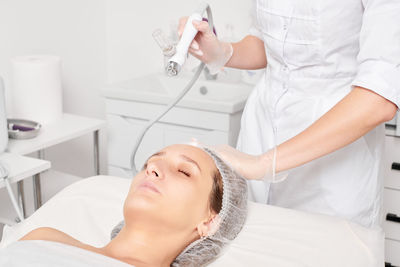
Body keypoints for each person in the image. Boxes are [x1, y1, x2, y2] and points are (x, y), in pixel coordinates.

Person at [178, 0, 400, 228]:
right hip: (260, 134)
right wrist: (223, 52)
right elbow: (267, 43)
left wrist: (265, 163)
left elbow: (379, 98)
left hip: (334, 163)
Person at [0, 144, 247, 267]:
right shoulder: (46, 238)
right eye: (150, 163)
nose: (153, 169)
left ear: (211, 221)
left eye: (184, 171)